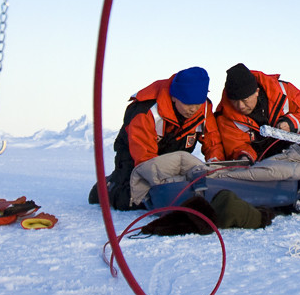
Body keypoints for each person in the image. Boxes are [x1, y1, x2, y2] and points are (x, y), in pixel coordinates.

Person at [89, 66, 221, 210]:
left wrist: (216, 164)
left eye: (197, 104)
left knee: (182, 193)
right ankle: (107, 187)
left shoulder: (204, 108)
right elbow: (145, 159)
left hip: (173, 154)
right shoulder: (145, 111)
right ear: (174, 96)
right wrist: (166, 182)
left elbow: (212, 140)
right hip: (135, 154)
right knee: (134, 200)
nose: (193, 109)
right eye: (188, 103)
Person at [211, 63, 300, 185]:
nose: (240, 106)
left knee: (299, 164)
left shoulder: (282, 91)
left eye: (245, 100)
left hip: (291, 144)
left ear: (256, 91)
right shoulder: (225, 115)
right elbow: (236, 145)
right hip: (260, 157)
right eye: (235, 101)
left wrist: (290, 122)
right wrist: (244, 156)